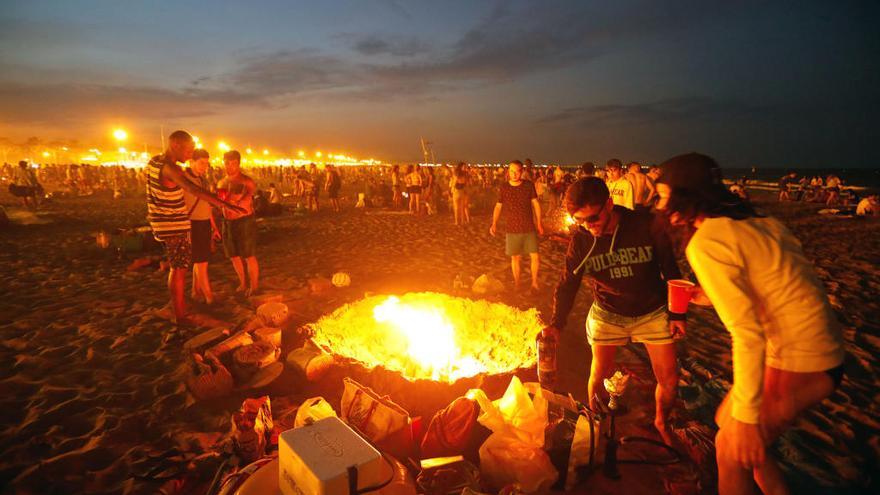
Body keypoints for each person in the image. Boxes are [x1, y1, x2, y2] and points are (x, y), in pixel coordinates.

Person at [655, 153, 845, 495]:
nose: (659, 204)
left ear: (683, 194)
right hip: (816, 346)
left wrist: (748, 417)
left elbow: (746, 333)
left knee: (731, 446)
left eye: (662, 194)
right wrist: (707, 294)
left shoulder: (707, 242)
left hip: (803, 357)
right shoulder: (755, 220)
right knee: (726, 423)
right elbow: (771, 279)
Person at [543, 177, 684, 444]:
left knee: (669, 378)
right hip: (607, 312)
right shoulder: (582, 239)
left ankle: (661, 422)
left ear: (609, 204)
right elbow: (567, 285)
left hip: (651, 311)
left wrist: (678, 314)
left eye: (593, 217)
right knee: (598, 376)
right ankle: (596, 424)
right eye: (580, 220)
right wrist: (557, 324)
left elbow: (671, 270)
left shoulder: (644, 225)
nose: (588, 225)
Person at [146, 131, 244, 326]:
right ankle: (181, 315)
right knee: (179, 269)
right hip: (173, 224)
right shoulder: (171, 169)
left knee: (178, 266)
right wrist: (224, 205)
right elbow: (193, 189)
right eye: (189, 150)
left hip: (161, 222)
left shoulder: (154, 162)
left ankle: (181, 305)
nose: (190, 155)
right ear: (175, 146)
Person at [490, 160, 544, 293]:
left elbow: (536, 204)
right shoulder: (504, 187)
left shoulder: (528, 185)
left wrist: (539, 222)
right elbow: (498, 206)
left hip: (528, 227)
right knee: (515, 257)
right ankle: (517, 284)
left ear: (521, 172)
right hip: (512, 228)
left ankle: (534, 283)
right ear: (508, 172)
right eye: (512, 171)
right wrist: (494, 223)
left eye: (517, 171)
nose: (514, 174)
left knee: (535, 256)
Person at [217, 150, 260, 296]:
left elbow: (247, 201)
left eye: (233, 163)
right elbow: (219, 202)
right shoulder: (222, 182)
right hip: (227, 222)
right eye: (227, 163)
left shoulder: (246, 182)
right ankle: (243, 282)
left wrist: (233, 200)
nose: (230, 166)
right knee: (233, 256)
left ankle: (254, 286)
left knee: (249, 255)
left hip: (244, 221)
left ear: (238, 164)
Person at [184, 149, 221, 305]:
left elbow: (205, 205)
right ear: (191, 161)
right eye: (201, 163)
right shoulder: (184, 179)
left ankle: (195, 291)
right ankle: (209, 297)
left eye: (206, 163)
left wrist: (214, 227)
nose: (205, 166)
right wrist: (185, 229)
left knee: (199, 260)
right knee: (202, 262)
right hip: (193, 223)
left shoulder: (201, 180)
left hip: (204, 222)